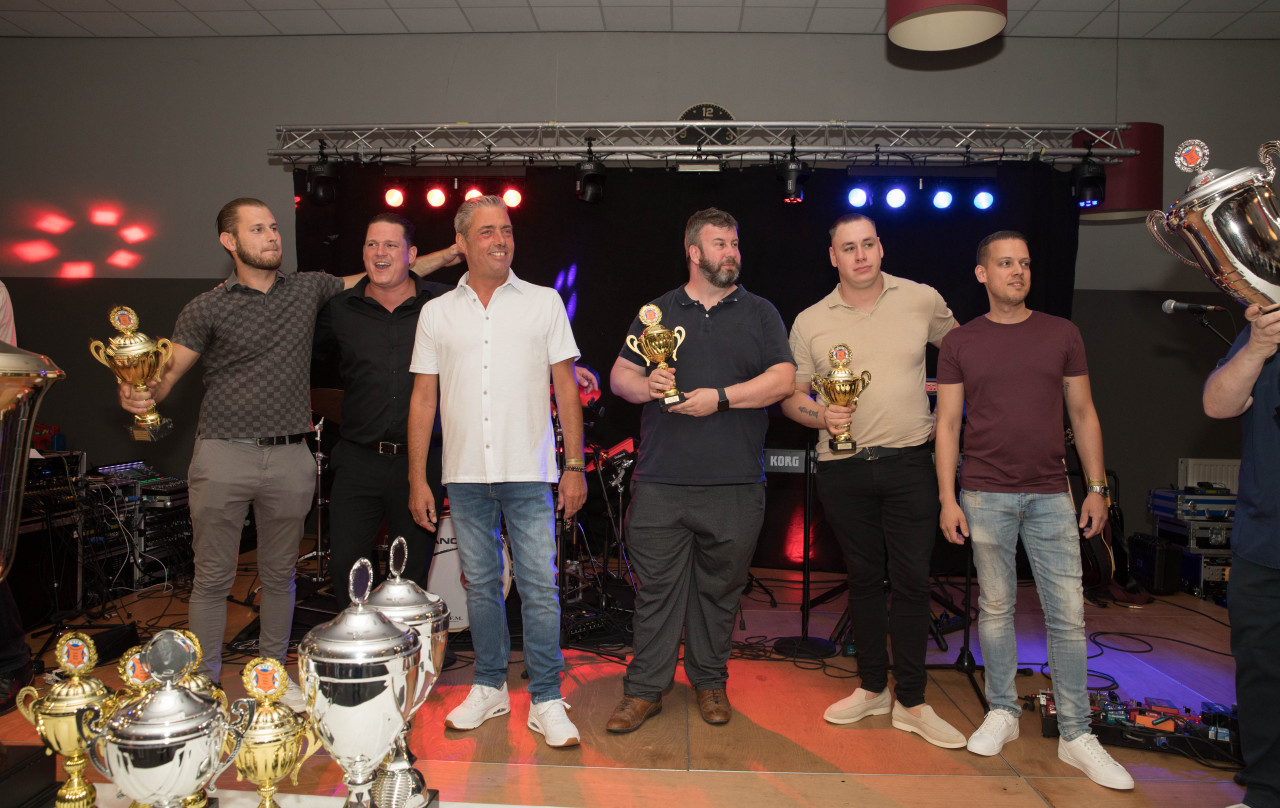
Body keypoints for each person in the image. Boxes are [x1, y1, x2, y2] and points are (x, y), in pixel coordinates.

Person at [119, 198, 456, 701]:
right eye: (257, 229)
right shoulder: (206, 306)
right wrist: (140, 391)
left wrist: (447, 255)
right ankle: (203, 688)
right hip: (222, 453)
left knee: (280, 577)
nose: (272, 236)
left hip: (290, 457)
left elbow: (383, 271)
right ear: (230, 242)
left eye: (274, 227)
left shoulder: (306, 289)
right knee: (212, 578)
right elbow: (167, 373)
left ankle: (272, 680)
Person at [934, 231, 1133, 789]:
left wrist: (1097, 488)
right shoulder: (960, 342)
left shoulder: (1061, 333)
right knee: (995, 609)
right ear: (982, 274)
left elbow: (1084, 413)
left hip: (1051, 495)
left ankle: (1076, 734)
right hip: (984, 494)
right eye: (1005, 263)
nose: (1017, 271)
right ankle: (1002, 711)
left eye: (1023, 262)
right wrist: (947, 498)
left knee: (1067, 616)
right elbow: (946, 425)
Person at [406, 195, 587, 748]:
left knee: (538, 586)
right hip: (463, 473)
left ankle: (547, 696)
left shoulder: (543, 302)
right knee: (481, 587)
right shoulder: (437, 312)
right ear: (461, 244)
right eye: (487, 232)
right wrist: (417, 476)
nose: (501, 240)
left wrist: (574, 465)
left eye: (505, 230)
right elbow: (423, 399)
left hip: (529, 470)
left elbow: (566, 389)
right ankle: (488, 687)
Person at [605, 207, 794, 733]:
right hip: (660, 482)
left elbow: (783, 379)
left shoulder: (760, 312)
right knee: (656, 594)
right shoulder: (658, 312)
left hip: (736, 484)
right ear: (694, 252)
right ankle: (644, 691)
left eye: (735, 243)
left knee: (720, 593)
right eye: (720, 244)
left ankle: (710, 683)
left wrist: (721, 398)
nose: (732, 252)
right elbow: (620, 376)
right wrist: (647, 386)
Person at [780, 213, 963, 748]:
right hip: (842, 468)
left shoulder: (921, 299)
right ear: (832, 257)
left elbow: (964, 355)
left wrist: (957, 407)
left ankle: (913, 701)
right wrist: (821, 415)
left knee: (912, 583)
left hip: (911, 464)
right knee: (862, 580)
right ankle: (872, 688)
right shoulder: (810, 321)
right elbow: (792, 397)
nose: (859, 255)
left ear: (881, 248)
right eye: (848, 247)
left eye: (867, 244)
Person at [313, 213, 454, 598]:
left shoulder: (443, 303)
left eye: (391, 245)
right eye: (372, 244)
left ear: (411, 254)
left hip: (421, 462)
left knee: (409, 582)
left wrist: (561, 368)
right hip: (358, 461)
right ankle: (358, 640)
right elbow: (295, 350)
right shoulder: (339, 309)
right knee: (347, 574)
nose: (380, 252)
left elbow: (496, 336)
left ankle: (407, 640)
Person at [1203, 300, 1280, 808]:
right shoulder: (1266, 330)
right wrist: (1256, 346)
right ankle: (1266, 794)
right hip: (1263, 540)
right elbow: (1218, 404)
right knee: (1260, 672)